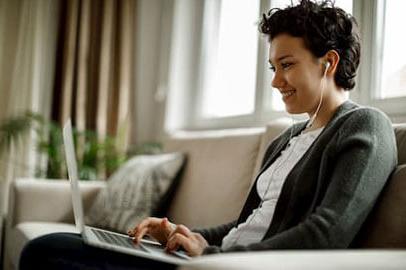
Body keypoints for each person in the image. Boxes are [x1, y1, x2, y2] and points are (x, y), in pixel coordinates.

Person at [19, 0, 397, 269]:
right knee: (58, 244)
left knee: (48, 251)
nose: (276, 81)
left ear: (329, 62)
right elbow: (242, 227)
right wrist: (180, 236)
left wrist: (210, 257)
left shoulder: (365, 126)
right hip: (214, 261)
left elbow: (325, 235)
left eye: (286, 65)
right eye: (272, 67)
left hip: (232, 267)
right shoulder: (287, 139)